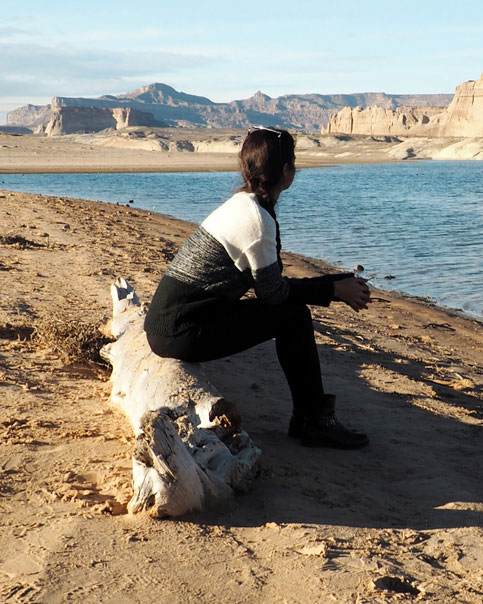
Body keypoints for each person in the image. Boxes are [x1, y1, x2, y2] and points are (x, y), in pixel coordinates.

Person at [145, 127, 371, 449]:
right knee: (293, 317)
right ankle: (314, 422)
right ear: (287, 172)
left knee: (292, 313)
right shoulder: (256, 220)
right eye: (293, 163)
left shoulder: (244, 205)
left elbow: (270, 287)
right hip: (179, 329)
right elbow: (273, 295)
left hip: (178, 320)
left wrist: (335, 282)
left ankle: (310, 419)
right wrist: (334, 291)